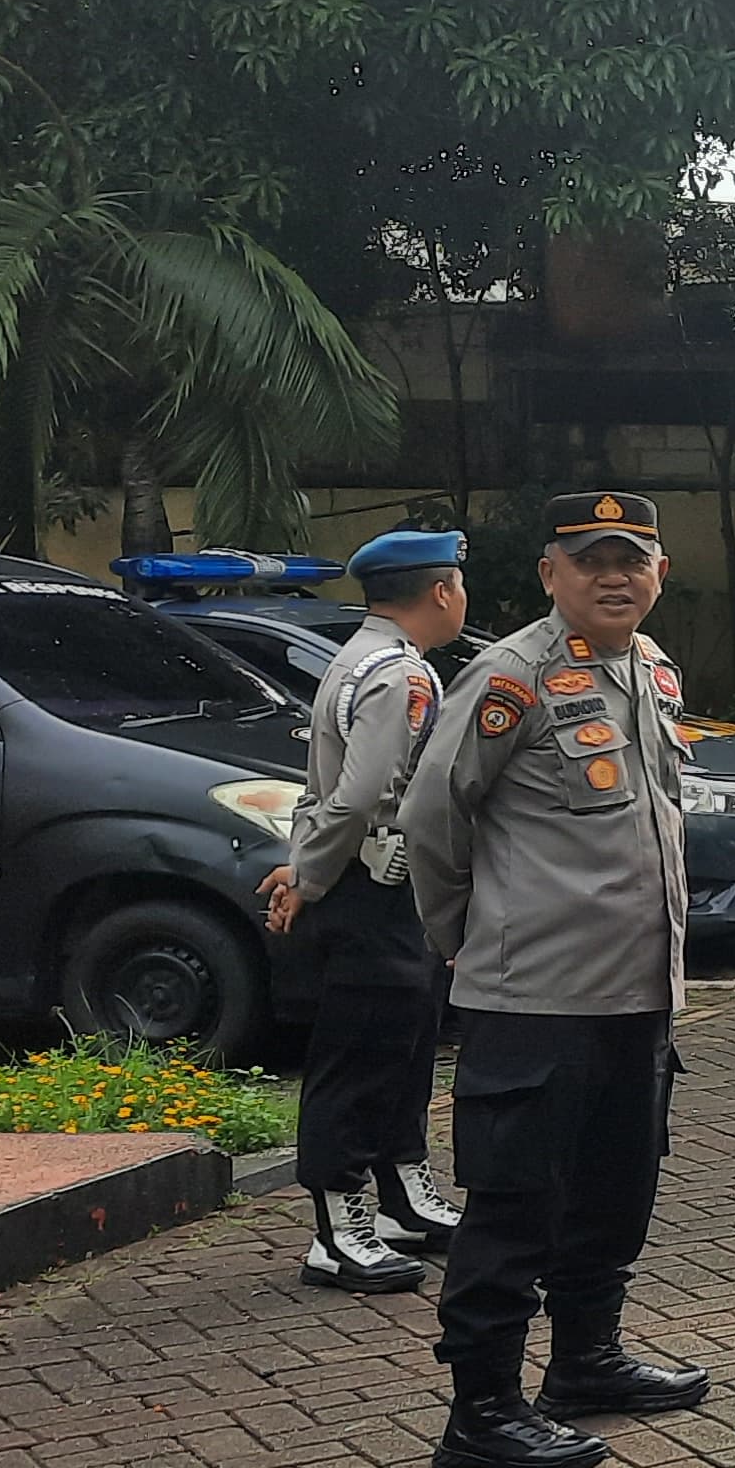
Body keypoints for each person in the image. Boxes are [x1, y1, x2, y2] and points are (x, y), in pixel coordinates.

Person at [400, 491, 710, 1468]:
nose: (614, 577)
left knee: (615, 1191)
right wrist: (463, 937)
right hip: (534, 998)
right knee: (514, 1208)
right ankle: (482, 1411)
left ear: (659, 572)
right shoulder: (511, 677)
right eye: (590, 560)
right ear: (550, 574)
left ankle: (584, 1361)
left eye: (632, 559)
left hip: (636, 992)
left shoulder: (650, 667)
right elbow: (434, 817)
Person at [259, 527, 471, 1295]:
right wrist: (310, 879)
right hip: (368, 892)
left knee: (405, 1048)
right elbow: (355, 797)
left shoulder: (366, 659)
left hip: (386, 890)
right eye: (458, 584)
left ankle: (401, 1197)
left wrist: (305, 866)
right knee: (358, 1060)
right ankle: (338, 1230)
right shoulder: (396, 675)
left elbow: (322, 789)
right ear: (441, 591)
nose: (461, 597)